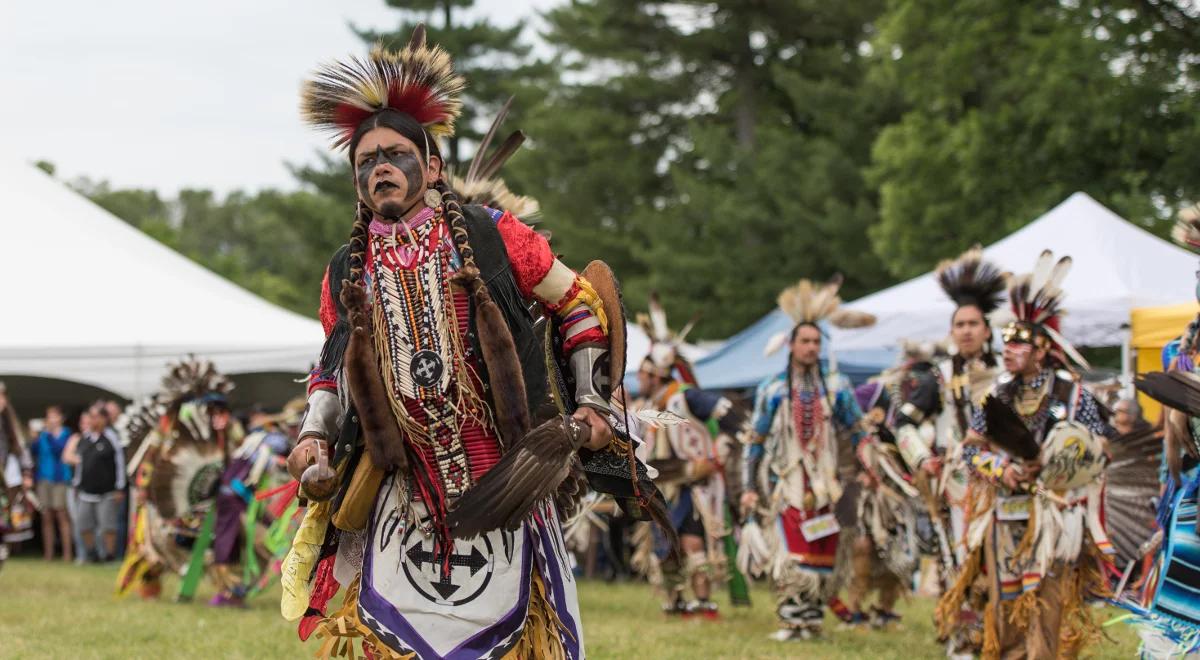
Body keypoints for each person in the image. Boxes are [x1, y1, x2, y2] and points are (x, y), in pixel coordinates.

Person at [279, 26, 634, 658]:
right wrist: (313, 432)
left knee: (520, 632)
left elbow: (579, 302)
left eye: (394, 154)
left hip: (505, 471)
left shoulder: (496, 236)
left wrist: (592, 404)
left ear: (433, 167)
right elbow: (331, 370)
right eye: (365, 162)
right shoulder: (345, 269)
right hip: (401, 485)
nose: (379, 167)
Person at [937, 250, 1115, 659]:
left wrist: (1059, 466)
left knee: (1048, 598)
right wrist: (1001, 469)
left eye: (1021, 345)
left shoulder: (1073, 394)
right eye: (1008, 344)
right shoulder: (996, 394)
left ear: (1042, 351)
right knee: (1007, 600)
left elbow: (1101, 447)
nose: (1011, 351)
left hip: (1056, 513)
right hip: (1006, 511)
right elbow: (970, 451)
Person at [739, 276, 872, 641]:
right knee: (792, 549)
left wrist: (869, 465)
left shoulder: (838, 388)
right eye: (805, 341)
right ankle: (791, 620)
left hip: (826, 483)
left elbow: (858, 431)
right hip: (789, 482)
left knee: (824, 550)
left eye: (817, 341)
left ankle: (811, 620)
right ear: (791, 345)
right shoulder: (774, 390)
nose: (812, 347)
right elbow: (756, 441)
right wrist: (749, 487)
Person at [631, 295, 744, 617]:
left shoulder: (685, 397)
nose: (639, 379)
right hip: (660, 483)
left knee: (693, 543)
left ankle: (704, 601)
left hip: (692, 483)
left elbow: (728, 415)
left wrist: (718, 453)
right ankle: (674, 600)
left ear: (657, 374)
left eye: (643, 374)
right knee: (664, 547)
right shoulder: (643, 408)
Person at [845, 342, 944, 629]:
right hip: (873, 487)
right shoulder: (877, 391)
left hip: (912, 488)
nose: (914, 377)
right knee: (863, 545)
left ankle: (884, 609)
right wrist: (859, 461)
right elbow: (844, 419)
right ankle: (855, 610)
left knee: (903, 552)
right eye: (911, 368)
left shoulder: (938, 398)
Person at [64, 405, 126, 562]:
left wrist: (120, 487)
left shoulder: (112, 438)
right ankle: (92, 553)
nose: (92, 420)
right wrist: (77, 484)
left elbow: (120, 464)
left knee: (108, 526)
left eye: (95, 417)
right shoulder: (84, 438)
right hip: (86, 491)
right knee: (83, 525)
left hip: (108, 490)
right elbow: (80, 463)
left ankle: (109, 555)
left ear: (104, 419)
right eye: (90, 417)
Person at [34, 405, 73, 561]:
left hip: (61, 478)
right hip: (44, 478)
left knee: (62, 515)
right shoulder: (42, 435)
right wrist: (35, 438)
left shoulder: (66, 434)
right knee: (46, 516)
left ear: (61, 418)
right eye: (49, 416)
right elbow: (34, 452)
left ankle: (67, 553)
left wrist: (49, 434)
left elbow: (59, 451)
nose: (51, 419)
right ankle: (48, 554)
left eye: (54, 416)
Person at [0, 382, 34, 560]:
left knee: (8, 513)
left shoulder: (10, 423)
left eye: (1, 396)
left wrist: (27, 473)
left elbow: (22, 449)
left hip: (8, 478)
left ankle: (4, 548)